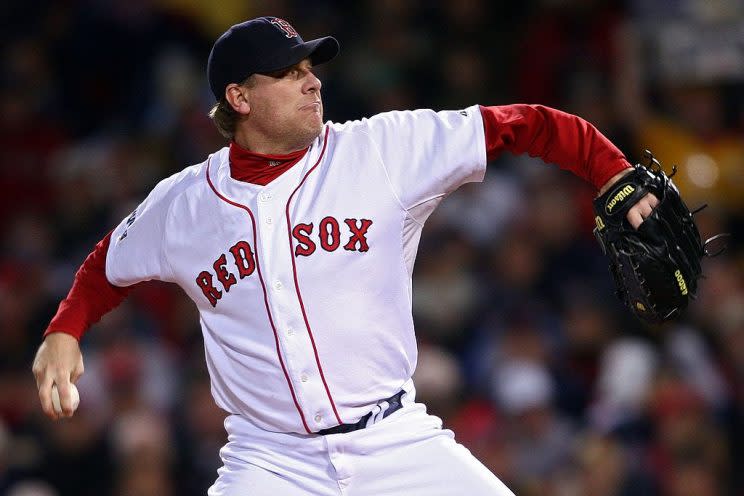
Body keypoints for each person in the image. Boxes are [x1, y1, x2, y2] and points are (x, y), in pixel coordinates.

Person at [32, 16, 658, 495]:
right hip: (268, 460)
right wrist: (65, 328)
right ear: (240, 99)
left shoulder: (381, 150)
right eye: (291, 73)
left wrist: (611, 171)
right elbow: (108, 264)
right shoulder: (184, 204)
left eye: (312, 67)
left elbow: (530, 123)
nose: (313, 80)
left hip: (393, 440)